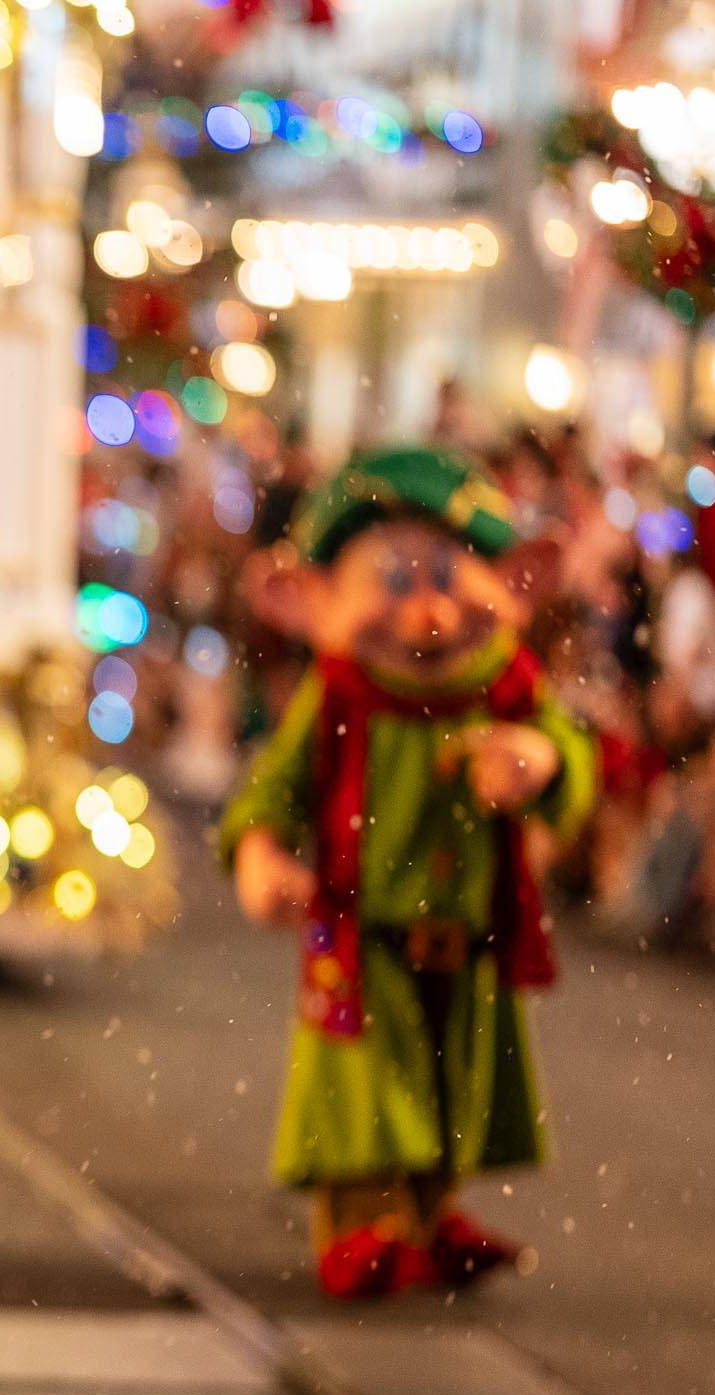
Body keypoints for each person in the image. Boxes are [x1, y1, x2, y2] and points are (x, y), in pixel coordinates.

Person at [220, 447, 596, 1299]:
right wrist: (259, 854)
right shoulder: (343, 693)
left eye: (445, 577)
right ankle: (367, 1226)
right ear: (307, 601)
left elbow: (573, 752)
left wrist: (537, 757)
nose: (426, 614)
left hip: (471, 934)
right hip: (363, 936)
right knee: (365, 1090)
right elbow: (271, 791)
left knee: (452, 1079)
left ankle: (428, 1219)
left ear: (517, 582)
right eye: (391, 582)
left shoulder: (508, 687)